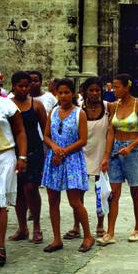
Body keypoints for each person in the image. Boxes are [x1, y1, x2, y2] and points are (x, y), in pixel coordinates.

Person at [41, 78, 94, 253]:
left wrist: (62, 152)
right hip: (54, 160)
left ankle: (88, 236)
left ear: (73, 94)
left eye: (66, 92)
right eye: (60, 92)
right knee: (53, 200)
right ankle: (57, 239)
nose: (63, 96)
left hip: (71, 160)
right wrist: (55, 148)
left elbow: (83, 140)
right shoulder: (53, 112)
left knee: (74, 201)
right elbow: (47, 136)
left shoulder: (80, 113)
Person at [0, 63, 28, 263]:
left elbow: (20, 132)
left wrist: (22, 157)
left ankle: (0, 246)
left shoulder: (7, 104)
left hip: (4, 158)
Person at [100, 74, 138, 244]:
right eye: (113, 86)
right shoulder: (113, 106)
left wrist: (131, 146)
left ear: (127, 87)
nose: (114, 90)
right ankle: (110, 232)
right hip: (115, 152)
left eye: (117, 87)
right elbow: (111, 131)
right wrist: (106, 156)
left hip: (132, 152)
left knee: (135, 191)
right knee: (114, 193)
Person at [64, 77, 111, 240]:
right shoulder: (77, 109)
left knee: (101, 191)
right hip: (80, 153)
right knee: (78, 192)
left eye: (98, 90)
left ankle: (100, 225)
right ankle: (77, 226)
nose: (95, 93)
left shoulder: (107, 107)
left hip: (100, 153)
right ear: (84, 91)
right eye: (91, 90)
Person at [8, 71, 47, 244]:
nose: (25, 89)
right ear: (13, 86)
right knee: (18, 190)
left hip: (34, 149)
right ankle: (22, 228)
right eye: (21, 86)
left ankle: (37, 226)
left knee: (31, 187)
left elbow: (47, 131)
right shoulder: (7, 105)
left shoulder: (36, 104)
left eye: (27, 85)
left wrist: (49, 152)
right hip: (12, 150)